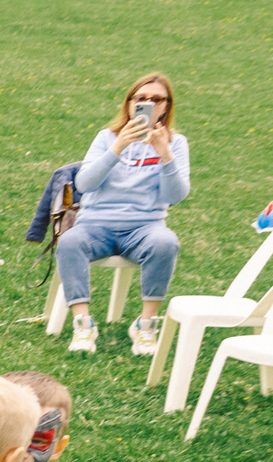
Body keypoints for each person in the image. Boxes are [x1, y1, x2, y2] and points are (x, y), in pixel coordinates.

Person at [58, 74, 186, 358]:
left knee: (165, 243)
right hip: (95, 225)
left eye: (157, 99)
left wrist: (165, 154)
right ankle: (83, 324)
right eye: (141, 98)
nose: (148, 104)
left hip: (144, 227)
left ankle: (146, 325)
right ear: (129, 104)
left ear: (166, 107)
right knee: (69, 242)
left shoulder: (176, 143)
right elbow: (84, 184)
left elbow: (175, 196)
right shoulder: (106, 138)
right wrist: (118, 148)